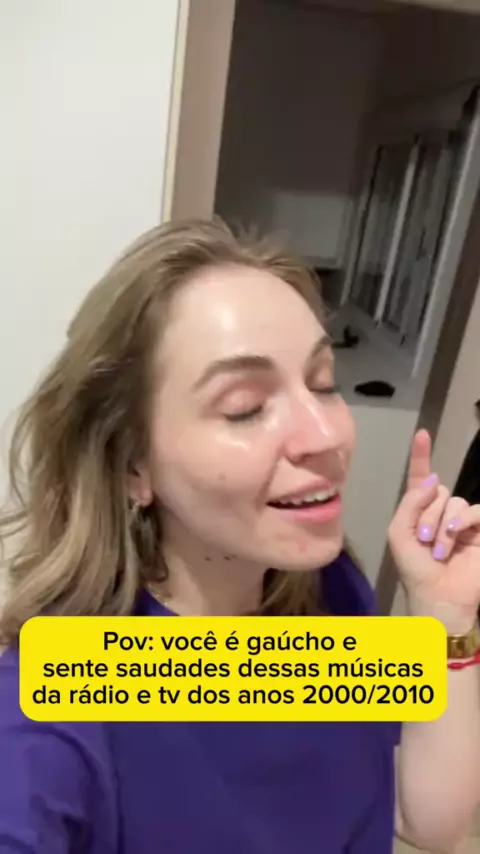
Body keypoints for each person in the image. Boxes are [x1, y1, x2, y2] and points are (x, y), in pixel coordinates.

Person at [0, 218, 479, 854]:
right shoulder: (57, 698)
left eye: (323, 383)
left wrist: (445, 615)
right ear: (133, 466)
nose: (327, 435)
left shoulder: (328, 588)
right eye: (245, 407)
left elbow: (426, 822)